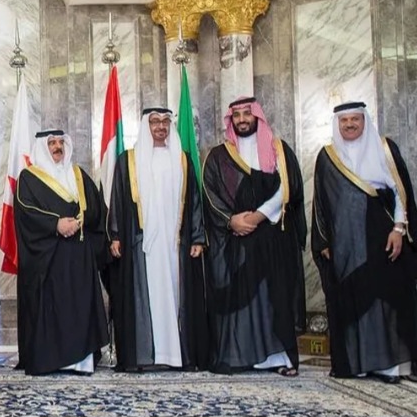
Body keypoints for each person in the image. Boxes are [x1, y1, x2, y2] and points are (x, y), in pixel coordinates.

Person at [312, 101, 417, 383]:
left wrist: (398, 229)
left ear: (364, 121)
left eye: (355, 119)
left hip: (383, 235)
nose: (349, 125)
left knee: (387, 297)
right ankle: (356, 364)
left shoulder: (385, 148)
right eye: (344, 120)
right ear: (337, 123)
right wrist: (324, 241)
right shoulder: (328, 156)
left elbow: (401, 193)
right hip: (345, 242)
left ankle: (392, 367)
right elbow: (320, 203)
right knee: (353, 300)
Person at [202, 96, 306, 376]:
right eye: (236, 115)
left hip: (272, 237)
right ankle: (241, 356)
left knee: (275, 297)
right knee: (243, 298)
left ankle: (280, 358)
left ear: (257, 116)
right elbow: (209, 193)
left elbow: (289, 188)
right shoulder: (218, 156)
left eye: (247, 114)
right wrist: (231, 220)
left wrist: (258, 216)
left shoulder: (278, 149)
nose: (242, 120)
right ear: (231, 120)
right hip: (236, 241)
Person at [108, 108, 209, 372]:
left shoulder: (182, 159)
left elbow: (194, 201)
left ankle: (176, 355)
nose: (160, 127)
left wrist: (197, 237)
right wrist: (115, 235)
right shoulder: (128, 160)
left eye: (165, 121)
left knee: (175, 293)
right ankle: (146, 356)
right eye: (154, 122)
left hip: (175, 243)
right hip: (142, 244)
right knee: (145, 296)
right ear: (146, 125)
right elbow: (117, 199)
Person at [14, 129, 108, 376]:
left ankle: (81, 361)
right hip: (49, 259)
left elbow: (96, 208)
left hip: (79, 257)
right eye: (52, 143)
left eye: (60, 143)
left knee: (80, 307)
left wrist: (80, 221)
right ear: (42, 147)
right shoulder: (29, 178)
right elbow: (26, 213)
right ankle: (52, 360)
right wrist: (55, 225)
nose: (57, 147)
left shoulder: (78, 174)